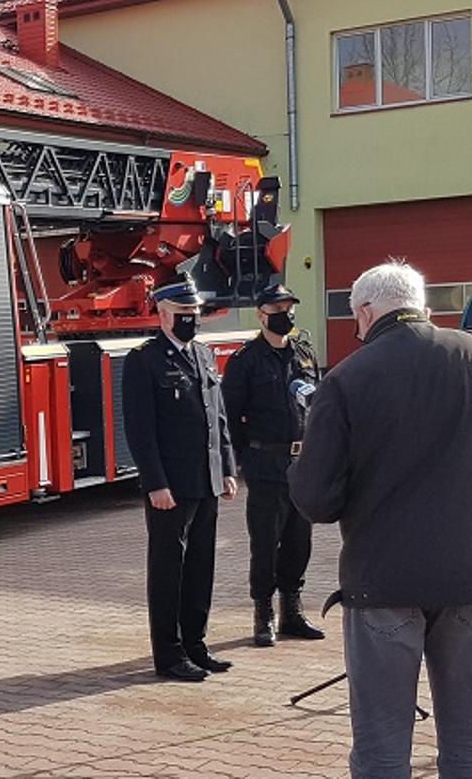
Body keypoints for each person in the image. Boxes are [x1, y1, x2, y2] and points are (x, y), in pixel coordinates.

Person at [289, 261, 472, 778]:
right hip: (471, 573)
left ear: (364, 310)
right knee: (470, 738)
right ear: (422, 305)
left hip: (383, 581)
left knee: (382, 748)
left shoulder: (346, 377)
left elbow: (316, 500)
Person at [123, 277, 238, 683]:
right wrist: (155, 483)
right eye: (183, 315)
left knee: (200, 567)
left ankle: (196, 645)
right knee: (169, 569)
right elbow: (140, 430)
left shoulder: (204, 355)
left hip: (206, 481)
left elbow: (217, 418)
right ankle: (169, 655)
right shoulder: (145, 360)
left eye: (194, 315)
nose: (191, 321)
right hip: (171, 486)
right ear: (163, 313)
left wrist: (226, 468)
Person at [221, 284, 326, 647]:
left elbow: (319, 406)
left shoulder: (304, 353)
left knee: (300, 542)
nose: (287, 315)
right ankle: (263, 613)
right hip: (265, 464)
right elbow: (229, 417)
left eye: (290, 308)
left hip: (303, 463)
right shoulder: (246, 361)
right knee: (265, 543)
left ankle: (292, 612)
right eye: (278, 308)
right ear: (262, 315)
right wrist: (235, 464)